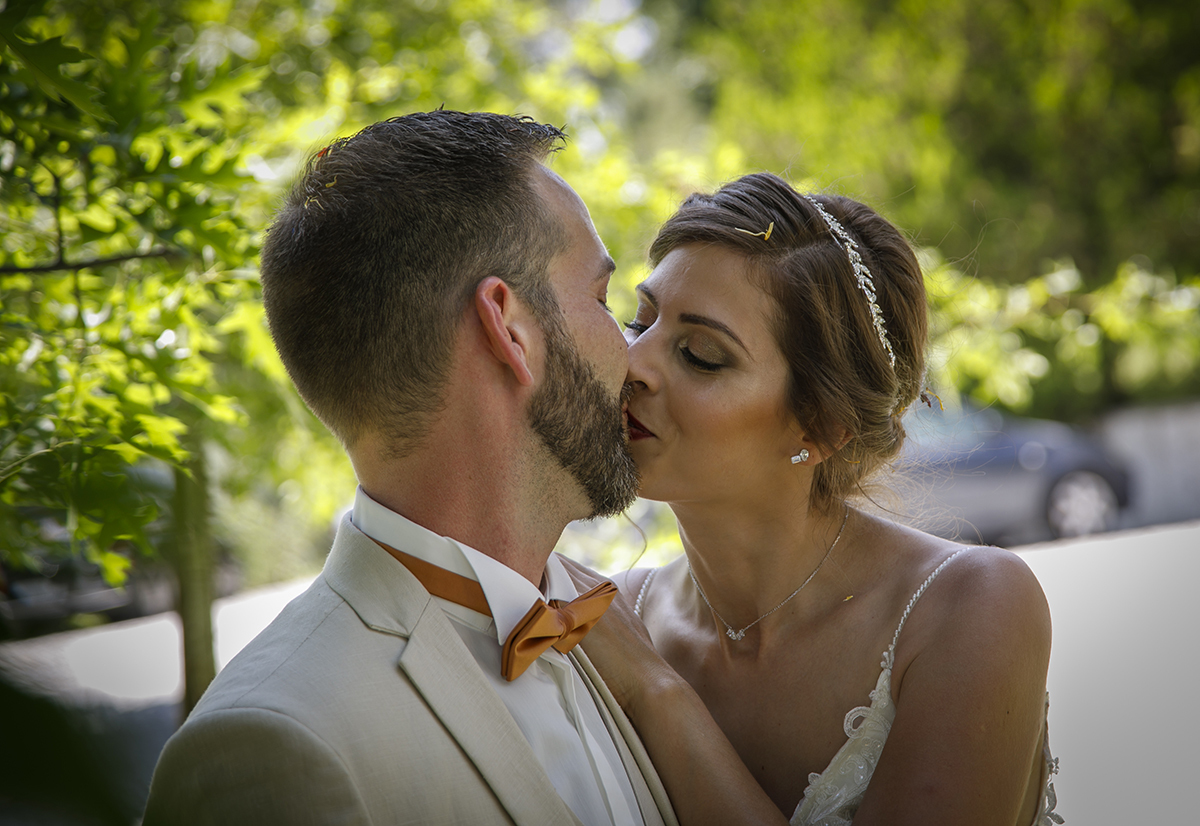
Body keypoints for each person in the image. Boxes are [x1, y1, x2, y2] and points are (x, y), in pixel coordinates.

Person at [143, 111, 680, 826]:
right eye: (604, 300)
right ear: (510, 329)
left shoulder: (610, 641)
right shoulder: (274, 746)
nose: (633, 353)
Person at [566, 172, 1061, 826]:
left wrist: (657, 693)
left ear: (822, 428)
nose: (633, 363)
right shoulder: (608, 616)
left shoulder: (968, 606)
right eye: (640, 320)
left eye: (701, 354)